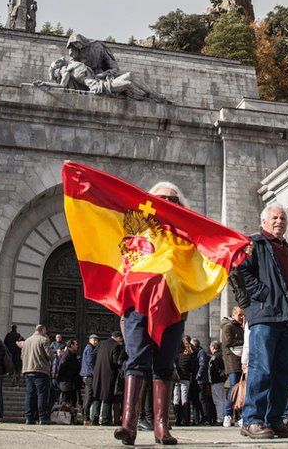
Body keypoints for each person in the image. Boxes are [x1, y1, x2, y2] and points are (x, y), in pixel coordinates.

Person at [115, 181, 193, 446]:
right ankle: (129, 424)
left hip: (172, 309)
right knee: (136, 359)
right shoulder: (135, 233)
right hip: (136, 308)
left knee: (164, 365)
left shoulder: (185, 238)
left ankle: (162, 426)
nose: (166, 203)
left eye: (172, 200)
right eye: (160, 199)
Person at [238, 203, 288, 440]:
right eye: (274, 218)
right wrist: (262, 294)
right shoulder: (254, 243)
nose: (279, 221)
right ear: (264, 222)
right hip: (266, 317)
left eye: (282, 218)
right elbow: (239, 271)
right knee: (262, 368)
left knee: (284, 372)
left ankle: (274, 419)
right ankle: (252, 420)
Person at [21, 324, 54, 424]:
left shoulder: (26, 341)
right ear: (42, 330)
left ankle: (29, 417)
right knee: (42, 394)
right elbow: (50, 356)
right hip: (40, 370)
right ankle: (42, 417)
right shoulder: (44, 340)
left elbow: (22, 356)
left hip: (28, 370)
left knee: (29, 394)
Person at [92, 331, 124, 428]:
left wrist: (97, 365)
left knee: (97, 395)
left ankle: (94, 418)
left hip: (98, 373)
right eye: (121, 339)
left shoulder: (101, 343)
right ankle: (106, 419)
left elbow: (93, 354)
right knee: (107, 396)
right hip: (109, 374)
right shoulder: (116, 346)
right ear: (118, 337)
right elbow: (116, 361)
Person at [220, 306, 244, 427]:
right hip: (232, 362)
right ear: (233, 314)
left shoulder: (240, 328)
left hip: (240, 362)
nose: (242, 317)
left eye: (243, 315)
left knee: (240, 390)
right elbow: (227, 342)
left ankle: (239, 415)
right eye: (240, 315)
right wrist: (243, 343)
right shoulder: (228, 326)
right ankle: (228, 415)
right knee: (233, 389)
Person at [173, 336, 195, 426]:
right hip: (185, 378)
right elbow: (191, 368)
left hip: (177, 378)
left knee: (176, 398)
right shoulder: (189, 355)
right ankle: (185, 420)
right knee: (184, 398)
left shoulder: (176, 355)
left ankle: (177, 420)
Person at [193, 338, 214, 425]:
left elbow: (202, 365)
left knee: (202, 399)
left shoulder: (201, 352)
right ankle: (201, 418)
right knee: (199, 400)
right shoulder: (196, 353)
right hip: (198, 380)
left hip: (201, 380)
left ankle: (206, 418)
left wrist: (198, 376)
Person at [80, 334, 99, 424]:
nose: (95, 341)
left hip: (87, 374)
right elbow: (90, 362)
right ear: (89, 340)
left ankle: (85, 415)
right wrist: (95, 373)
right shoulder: (90, 348)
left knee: (89, 395)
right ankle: (86, 417)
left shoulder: (89, 348)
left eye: (96, 340)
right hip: (89, 375)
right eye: (94, 340)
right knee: (89, 395)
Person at [57, 339, 81, 407]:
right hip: (66, 383)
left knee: (73, 402)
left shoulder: (73, 355)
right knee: (65, 403)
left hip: (72, 384)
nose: (77, 346)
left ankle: (71, 416)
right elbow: (61, 368)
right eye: (76, 344)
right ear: (71, 345)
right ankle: (63, 417)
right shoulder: (67, 355)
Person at [208, 340, 226, 425]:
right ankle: (225, 417)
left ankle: (220, 419)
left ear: (213, 347)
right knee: (223, 399)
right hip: (222, 380)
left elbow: (214, 369)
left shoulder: (214, 357)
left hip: (216, 381)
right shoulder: (222, 355)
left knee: (218, 400)